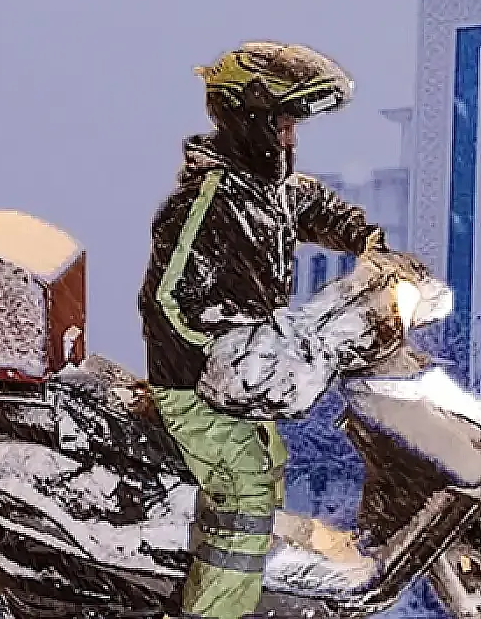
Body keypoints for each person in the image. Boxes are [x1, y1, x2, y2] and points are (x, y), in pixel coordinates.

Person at [139, 41, 386, 619]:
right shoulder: (207, 199)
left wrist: (370, 242)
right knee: (245, 490)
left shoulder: (270, 190)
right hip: (196, 385)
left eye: (294, 125)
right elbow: (167, 298)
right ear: (247, 119)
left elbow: (318, 209)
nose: (291, 138)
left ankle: (241, 591)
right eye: (283, 123)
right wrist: (215, 349)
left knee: (270, 460)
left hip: (245, 376)